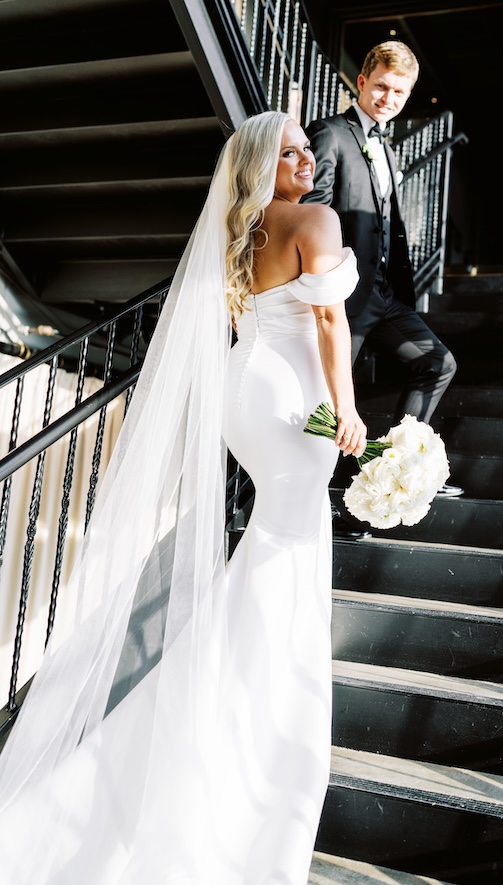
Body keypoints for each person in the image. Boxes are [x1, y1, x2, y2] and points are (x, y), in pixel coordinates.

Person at [0, 111, 366, 884]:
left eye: (309, 148)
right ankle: (258, 710)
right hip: (298, 397)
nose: (309, 159)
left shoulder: (244, 229)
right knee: (286, 541)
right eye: (294, 150)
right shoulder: (316, 219)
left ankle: (235, 689)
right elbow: (330, 321)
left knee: (273, 536)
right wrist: (352, 406)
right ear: (268, 161)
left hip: (250, 390)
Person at [303, 40, 463, 502]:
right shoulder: (331, 133)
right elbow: (312, 212)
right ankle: (325, 500)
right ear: (361, 82)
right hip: (342, 298)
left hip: (383, 296)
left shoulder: (385, 145)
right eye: (381, 87)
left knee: (436, 363)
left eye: (399, 93)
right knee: (326, 403)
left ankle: (396, 469)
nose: (388, 99)